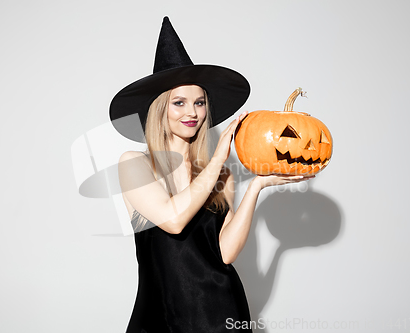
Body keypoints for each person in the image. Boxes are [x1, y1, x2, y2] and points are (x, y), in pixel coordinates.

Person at [110, 17, 311, 333]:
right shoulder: (134, 164)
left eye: (199, 103)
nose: (192, 113)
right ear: (160, 108)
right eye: (179, 103)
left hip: (222, 317)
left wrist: (256, 186)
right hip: (160, 320)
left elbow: (226, 253)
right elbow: (173, 220)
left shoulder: (220, 175)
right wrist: (219, 159)